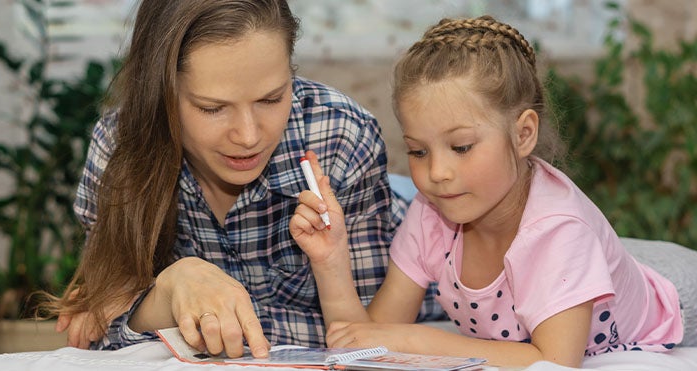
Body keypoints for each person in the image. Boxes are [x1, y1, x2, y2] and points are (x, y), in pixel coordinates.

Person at [44, 0, 449, 359]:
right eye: (212, 108)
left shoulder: (339, 134)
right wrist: (172, 287)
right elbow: (96, 332)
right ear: (161, 93)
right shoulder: (121, 147)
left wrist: (162, 313)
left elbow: (370, 336)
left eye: (271, 99)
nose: (249, 136)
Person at [290, 15, 684, 368]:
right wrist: (330, 263)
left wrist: (418, 338)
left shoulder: (560, 232)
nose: (437, 173)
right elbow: (366, 339)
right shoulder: (431, 212)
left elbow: (554, 362)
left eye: (461, 147)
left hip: (678, 294)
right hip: (592, 264)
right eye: (418, 151)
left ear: (523, 133)